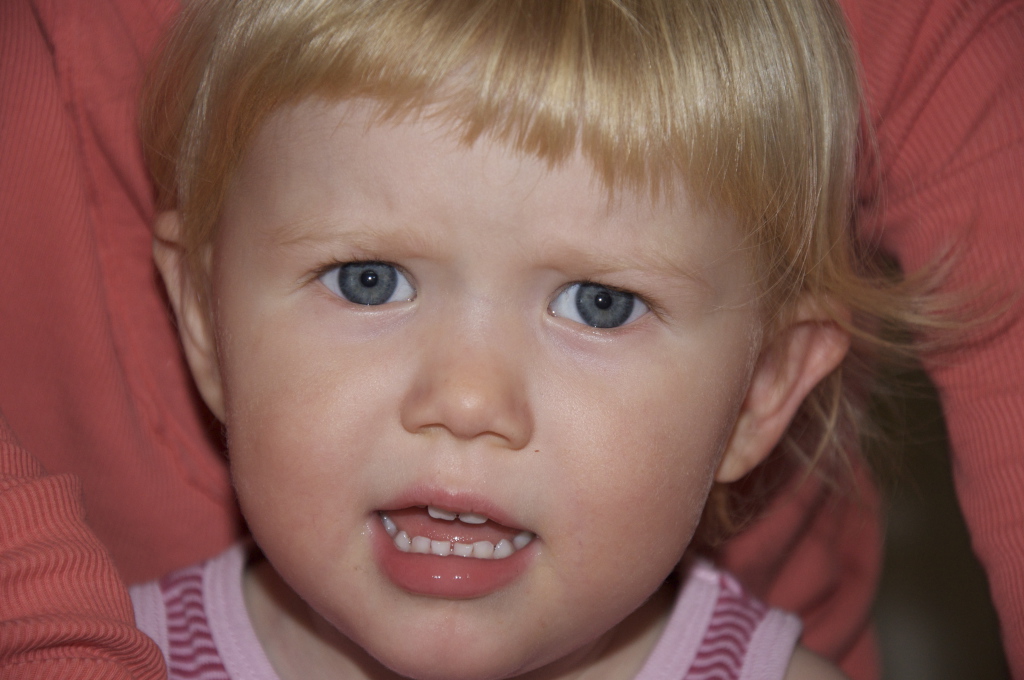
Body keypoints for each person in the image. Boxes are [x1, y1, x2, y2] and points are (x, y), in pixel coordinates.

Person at [0, 0, 1021, 679]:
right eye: (369, 280)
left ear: (761, 388)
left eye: (599, 304)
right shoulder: (99, 649)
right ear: (202, 317)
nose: (468, 397)